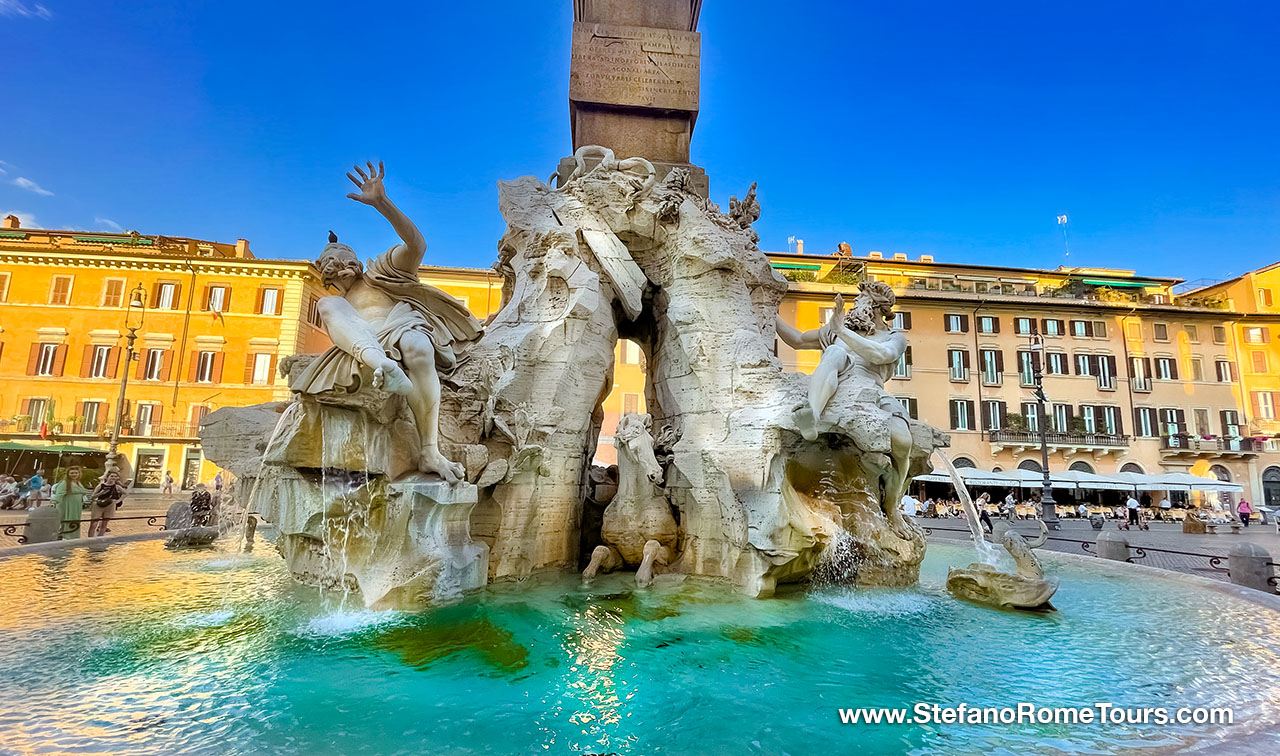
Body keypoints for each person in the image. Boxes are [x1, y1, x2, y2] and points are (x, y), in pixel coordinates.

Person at [50, 466, 88, 540]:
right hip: (67, 505)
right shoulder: (64, 483)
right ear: (68, 474)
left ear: (79, 474)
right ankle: (66, 536)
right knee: (68, 519)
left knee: (75, 519)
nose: (74, 474)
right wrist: (54, 503)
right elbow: (59, 494)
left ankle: (74, 536)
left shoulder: (78, 483)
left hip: (77, 506)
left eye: (76, 473)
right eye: (72, 473)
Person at [87, 470, 127, 538]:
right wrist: (101, 493)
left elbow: (125, 493)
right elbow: (92, 497)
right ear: (107, 477)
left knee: (104, 524)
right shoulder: (100, 486)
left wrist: (118, 501)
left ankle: (100, 538)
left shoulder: (117, 487)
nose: (113, 478)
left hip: (110, 505)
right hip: (99, 505)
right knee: (94, 523)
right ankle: (90, 539)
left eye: (115, 476)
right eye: (111, 476)